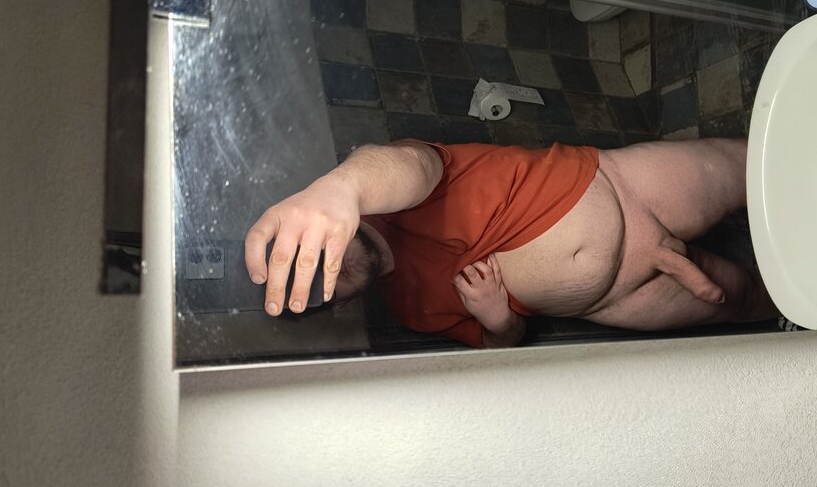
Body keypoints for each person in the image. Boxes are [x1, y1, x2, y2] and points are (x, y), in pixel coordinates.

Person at [244, 139, 778, 348]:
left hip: (626, 189)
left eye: (308, 257)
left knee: (770, 165)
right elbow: (503, 346)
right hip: (618, 299)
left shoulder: (385, 187)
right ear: (336, 304)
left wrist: (343, 185)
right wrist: (497, 319)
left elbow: (415, 163)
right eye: (316, 290)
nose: (328, 273)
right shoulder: (410, 310)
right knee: (760, 303)